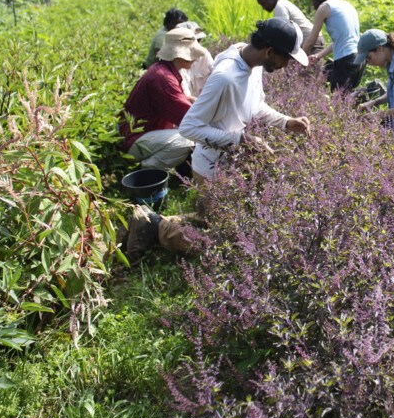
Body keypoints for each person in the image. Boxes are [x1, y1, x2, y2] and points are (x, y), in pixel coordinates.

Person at [121, 19, 312, 264]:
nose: (286, 65)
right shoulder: (226, 77)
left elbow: (254, 106)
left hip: (230, 163)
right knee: (222, 244)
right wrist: (240, 139)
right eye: (286, 59)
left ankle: (170, 220)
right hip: (211, 169)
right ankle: (154, 226)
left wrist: (286, 121)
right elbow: (190, 127)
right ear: (269, 51)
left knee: (220, 221)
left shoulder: (249, 62)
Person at [120, 27, 210, 172]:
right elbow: (189, 118)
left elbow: (178, 101)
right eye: (191, 54)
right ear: (179, 55)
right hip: (134, 139)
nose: (196, 58)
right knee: (185, 141)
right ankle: (147, 172)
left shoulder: (163, 70)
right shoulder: (164, 79)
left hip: (143, 133)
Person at [304, 0, 365, 91]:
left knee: (338, 101)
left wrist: (298, 58)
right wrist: (318, 56)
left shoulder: (325, 7)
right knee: (346, 99)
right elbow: (341, 40)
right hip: (360, 58)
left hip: (346, 60)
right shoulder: (347, 5)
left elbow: (312, 40)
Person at [256, 0, 324, 53]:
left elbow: (282, 32)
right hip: (313, 39)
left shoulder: (280, 6)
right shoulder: (282, 3)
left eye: (263, 3)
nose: (263, 8)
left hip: (310, 41)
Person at [176, 20, 213, 98]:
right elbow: (184, 95)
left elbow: (214, 79)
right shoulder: (176, 61)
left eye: (198, 41)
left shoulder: (204, 54)